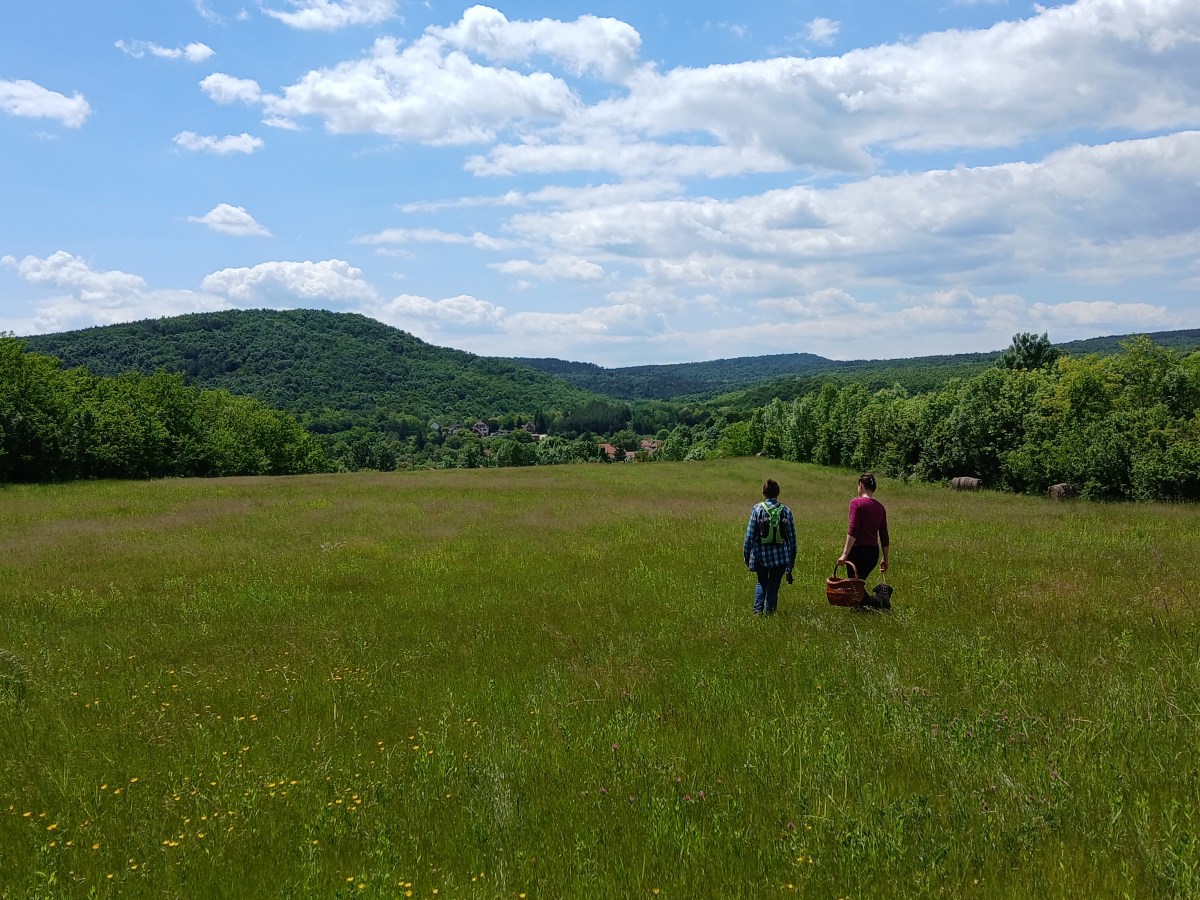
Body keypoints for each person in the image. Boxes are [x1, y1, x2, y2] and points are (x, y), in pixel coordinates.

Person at [743, 478, 797, 616]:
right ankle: (770, 613)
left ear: (763, 492)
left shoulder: (757, 509)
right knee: (773, 585)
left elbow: (749, 536)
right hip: (780, 558)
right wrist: (790, 564)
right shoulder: (786, 510)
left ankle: (757, 613)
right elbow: (792, 540)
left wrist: (747, 555)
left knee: (761, 583)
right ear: (778, 493)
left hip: (761, 556)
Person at [837, 473, 890, 597]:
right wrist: (885, 558)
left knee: (855, 585)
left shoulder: (856, 503)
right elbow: (884, 534)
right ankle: (869, 606)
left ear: (861, 485)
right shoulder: (880, 507)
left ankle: (871, 605)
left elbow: (853, 529)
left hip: (857, 552)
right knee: (858, 583)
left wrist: (844, 554)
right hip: (872, 553)